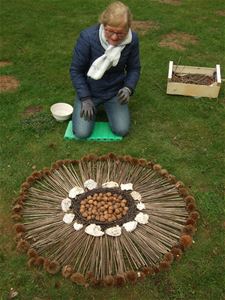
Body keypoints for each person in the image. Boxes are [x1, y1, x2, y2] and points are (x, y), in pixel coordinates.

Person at [70, 1, 141, 138]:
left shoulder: (132, 40)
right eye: (110, 31)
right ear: (103, 25)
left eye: (120, 33)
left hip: (114, 91)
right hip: (90, 90)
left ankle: (108, 106)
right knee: (81, 133)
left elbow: (134, 68)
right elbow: (76, 70)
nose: (114, 37)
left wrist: (128, 88)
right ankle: (86, 103)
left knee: (122, 130)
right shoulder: (88, 37)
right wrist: (85, 97)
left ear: (128, 28)